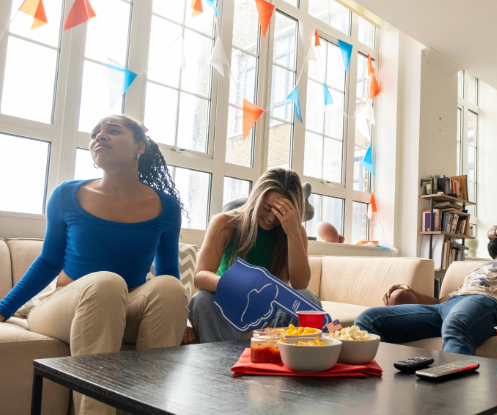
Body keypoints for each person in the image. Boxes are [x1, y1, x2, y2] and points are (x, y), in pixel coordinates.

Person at [0, 115, 189, 415]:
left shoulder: (166, 207)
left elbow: (169, 273)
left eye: (112, 131)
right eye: (94, 134)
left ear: (139, 147)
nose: (99, 137)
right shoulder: (66, 195)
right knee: (106, 283)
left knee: (169, 287)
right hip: (65, 308)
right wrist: (3, 308)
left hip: (124, 309)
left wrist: (183, 321)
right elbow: (49, 261)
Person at [354, 220, 497, 356]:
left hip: (492, 306)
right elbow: (440, 301)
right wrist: (410, 291)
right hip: (449, 306)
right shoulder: (478, 270)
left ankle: (452, 399)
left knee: (457, 322)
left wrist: (496, 231)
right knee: (370, 319)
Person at [187, 168, 320, 343]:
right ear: (256, 198)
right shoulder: (225, 223)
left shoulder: (295, 231)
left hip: (271, 314)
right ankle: (224, 358)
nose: (271, 218)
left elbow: (300, 285)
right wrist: (238, 286)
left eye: (280, 213)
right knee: (201, 299)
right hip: (229, 308)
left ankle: (285, 357)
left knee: (309, 299)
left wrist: (293, 232)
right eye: (267, 208)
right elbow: (200, 276)